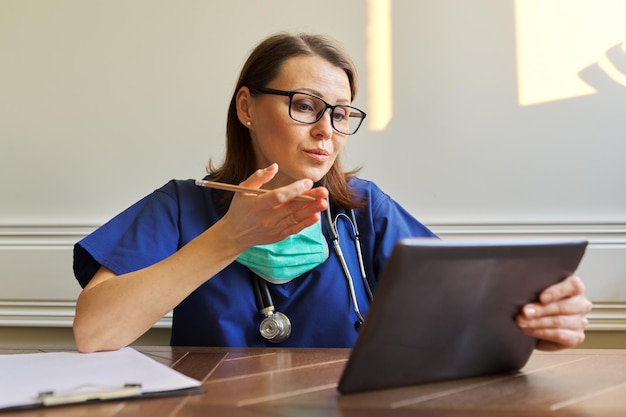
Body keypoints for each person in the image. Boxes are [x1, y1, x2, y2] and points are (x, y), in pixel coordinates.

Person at [72, 32, 592, 353]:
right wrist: (228, 238)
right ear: (247, 108)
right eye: (305, 104)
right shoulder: (180, 207)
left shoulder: (366, 211)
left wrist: (539, 322)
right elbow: (95, 333)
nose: (327, 130)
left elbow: (470, 311)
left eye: (342, 113)